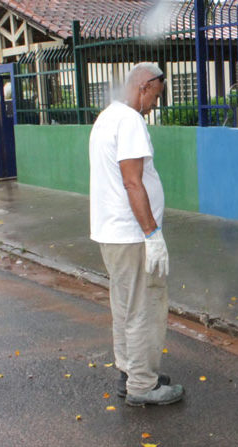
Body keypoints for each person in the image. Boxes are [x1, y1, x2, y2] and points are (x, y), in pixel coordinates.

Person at [89, 63, 184, 407]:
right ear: (144, 86)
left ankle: (131, 372)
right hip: (131, 235)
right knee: (145, 307)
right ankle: (142, 385)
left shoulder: (106, 117)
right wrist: (152, 234)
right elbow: (132, 181)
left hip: (111, 233)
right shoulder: (130, 121)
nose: (154, 105)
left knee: (125, 306)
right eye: (156, 96)